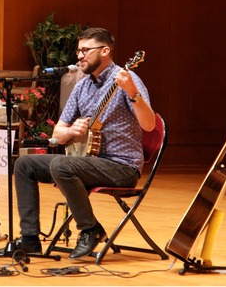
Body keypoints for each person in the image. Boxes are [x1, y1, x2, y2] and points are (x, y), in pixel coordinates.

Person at [14, 27, 156, 260]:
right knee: (25, 164)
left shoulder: (128, 79)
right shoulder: (82, 86)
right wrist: (71, 130)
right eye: (78, 51)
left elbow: (149, 125)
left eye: (85, 51)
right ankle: (30, 240)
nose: (79, 56)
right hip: (88, 161)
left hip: (121, 167)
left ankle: (90, 229)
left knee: (62, 165)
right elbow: (58, 134)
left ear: (105, 51)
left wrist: (132, 92)